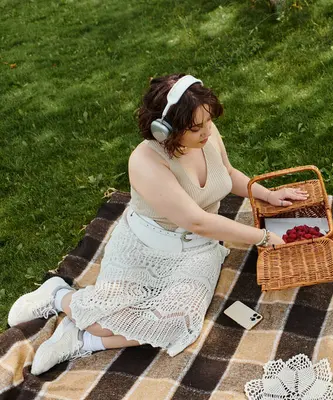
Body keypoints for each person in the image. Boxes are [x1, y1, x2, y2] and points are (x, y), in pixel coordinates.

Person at [7, 74, 308, 375]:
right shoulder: (145, 161)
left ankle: (82, 340)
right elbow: (198, 221)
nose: (207, 131)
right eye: (195, 128)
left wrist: (267, 193)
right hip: (145, 248)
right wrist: (264, 237)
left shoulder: (208, 132)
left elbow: (227, 172)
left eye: (207, 122)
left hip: (197, 250)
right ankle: (58, 295)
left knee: (178, 324)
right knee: (106, 316)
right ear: (163, 129)